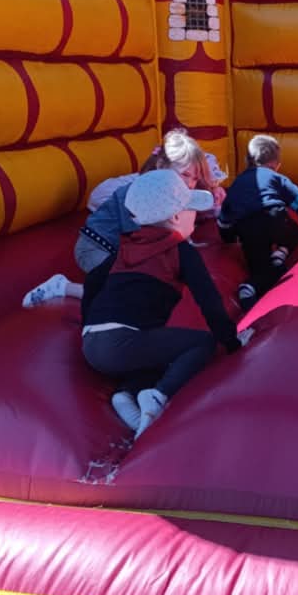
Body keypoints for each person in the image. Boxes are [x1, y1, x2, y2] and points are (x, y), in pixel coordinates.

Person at [81, 169, 249, 437]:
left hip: (91, 344)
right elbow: (209, 301)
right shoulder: (180, 251)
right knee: (202, 342)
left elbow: (92, 282)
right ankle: (157, 395)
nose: (196, 216)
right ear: (175, 217)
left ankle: (126, 394)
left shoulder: (125, 247)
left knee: (160, 349)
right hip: (122, 342)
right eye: (191, 209)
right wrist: (231, 343)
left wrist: (86, 323)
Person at [23, 130, 223, 307]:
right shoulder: (138, 194)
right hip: (94, 249)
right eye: (185, 175)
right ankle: (62, 287)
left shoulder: (171, 197)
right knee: (128, 294)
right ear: (161, 165)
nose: (190, 184)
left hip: (119, 252)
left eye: (194, 178)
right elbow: (140, 242)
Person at [218, 134, 298, 310]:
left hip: (247, 228)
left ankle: (248, 287)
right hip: (273, 217)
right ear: (276, 164)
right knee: (294, 233)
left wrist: (228, 238)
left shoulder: (237, 183)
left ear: (247, 161)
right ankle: (279, 257)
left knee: (259, 267)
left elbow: (225, 217)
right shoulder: (275, 177)